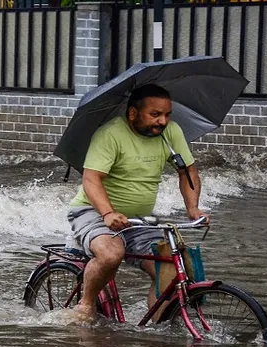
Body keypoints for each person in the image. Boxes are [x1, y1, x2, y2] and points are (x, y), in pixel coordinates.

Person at [66, 83, 207, 322]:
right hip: (94, 212)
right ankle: (86, 304)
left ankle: (159, 331)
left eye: (167, 115)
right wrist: (108, 213)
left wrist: (192, 208)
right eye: (155, 114)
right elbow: (91, 179)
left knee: (171, 272)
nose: (163, 121)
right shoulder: (110, 134)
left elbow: (188, 172)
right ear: (133, 113)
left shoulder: (170, 134)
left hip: (138, 220)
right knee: (111, 255)